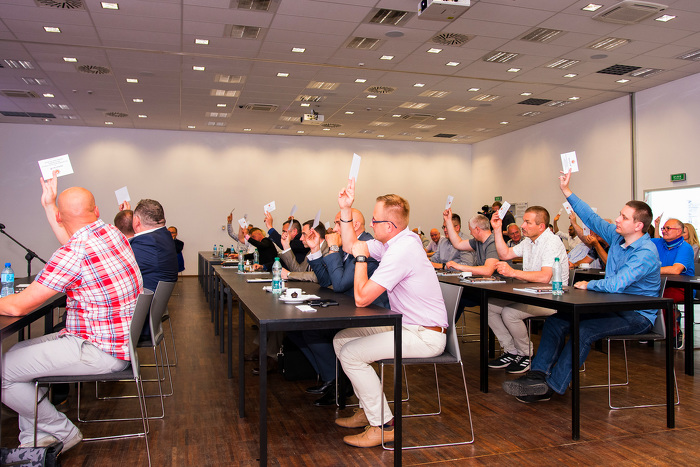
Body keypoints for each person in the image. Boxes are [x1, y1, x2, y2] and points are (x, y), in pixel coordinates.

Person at [0, 172, 143, 451]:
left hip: (97, 350)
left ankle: (63, 432)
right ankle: (35, 438)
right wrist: (48, 204)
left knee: (4, 372)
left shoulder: (73, 253)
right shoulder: (111, 233)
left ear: (59, 217)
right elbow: (72, 241)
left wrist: (50, 207)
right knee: (16, 354)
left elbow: (18, 305)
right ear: (97, 211)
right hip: (114, 342)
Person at [502, 170, 661, 403]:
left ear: (638, 225)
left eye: (624, 217)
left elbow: (617, 283)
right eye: (620, 215)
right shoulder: (617, 238)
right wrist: (566, 191)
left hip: (637, 315)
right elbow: (591, 218)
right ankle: (537, 375)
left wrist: (590, 284)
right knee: (557, 321)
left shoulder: (646, 252)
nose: (617, 219)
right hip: (612, 306)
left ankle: (552, 386)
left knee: (584, 330)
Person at [332, 179, 447, 448]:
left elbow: (362, 298)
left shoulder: (402, 251)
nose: (371, 225)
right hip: (405, 325)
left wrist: (362, 259)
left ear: (390, 226)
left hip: (425, 335)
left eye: (374, 221)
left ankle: (383, 426)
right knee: (342, 340)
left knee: (350, 354)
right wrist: (346, 209)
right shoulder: (393, 242)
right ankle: (368, 410)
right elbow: (350, 245)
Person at [289, 210, 389, 407]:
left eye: (338, 223)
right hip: (349, 308)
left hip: (371, 314)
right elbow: (326, 281)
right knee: (297, 329)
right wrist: (315, 250)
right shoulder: (347, 245)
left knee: (312, 331)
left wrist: (334, 248)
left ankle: (337, 383)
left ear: (355, 225)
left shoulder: (365, 245)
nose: (334, 228)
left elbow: (340, 284)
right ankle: (335, 380)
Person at [487, 206, 569, 374]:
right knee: (490, 306)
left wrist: (513, 272)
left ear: (541, 226)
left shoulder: (551, 242)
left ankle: (526, 354)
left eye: (527, 222)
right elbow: (504, 254)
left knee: (510, 313)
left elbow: (545, 277)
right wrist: (497, 229)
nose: (522, 226)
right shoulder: (529, 241)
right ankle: (511, 350)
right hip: (530, 294)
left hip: (552, 298)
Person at [442, 209, 499, 319]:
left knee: (458, 297)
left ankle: (448, 327)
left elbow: (488, 270)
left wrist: (459, 266)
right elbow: (458, 243)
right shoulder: (478, 241)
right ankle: (448, 327)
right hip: (485, 286)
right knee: (455, 295)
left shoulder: (493, 242)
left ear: (477, 229)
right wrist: (448, 221)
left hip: (496, 290)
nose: (470, 233)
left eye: (471, 230)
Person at [652, 217, 695, 349]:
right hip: (661, 284)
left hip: (682, 288)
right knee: (641, 293)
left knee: (663, 298)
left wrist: (648, 269)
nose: (664, 231)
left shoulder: (686, 248)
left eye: (668, 228)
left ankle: (675, 333)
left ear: (679, 232)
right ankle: (647, 329)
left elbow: (676, 270)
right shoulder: (657, 242)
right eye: (663, 228)